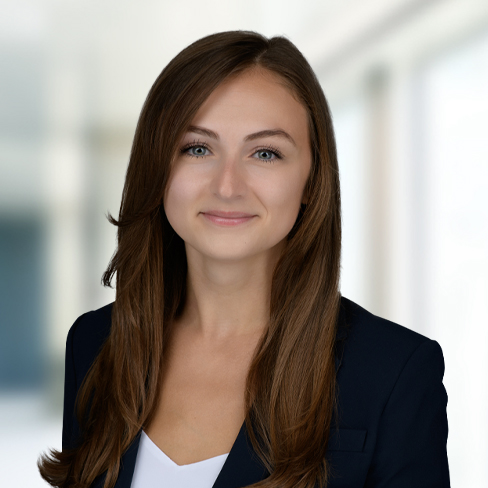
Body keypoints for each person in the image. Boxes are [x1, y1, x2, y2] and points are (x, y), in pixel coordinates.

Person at [38, 30, 450, 488]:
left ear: (312, 180)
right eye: (197, 148)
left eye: (265, 153)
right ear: (157, 166)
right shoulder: (96, 344)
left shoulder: (396, 372)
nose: (228, 186)